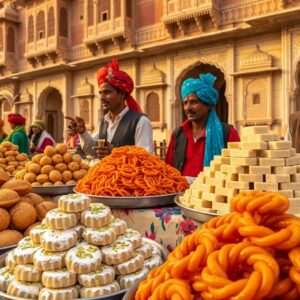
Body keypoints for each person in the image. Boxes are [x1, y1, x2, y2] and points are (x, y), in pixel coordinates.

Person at [68, 59, 153, 158]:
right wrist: (82, 132)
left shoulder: (140, 122)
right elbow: (93, 151)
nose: (102, 98)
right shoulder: (104, 122)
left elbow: (146, 158)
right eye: (100, 93)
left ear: (122, 94)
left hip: (128, 174)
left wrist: (114, 152)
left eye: (107, 92)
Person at [165, 72, 240, 178]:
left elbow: (238, 170)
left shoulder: (227, 133)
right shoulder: (179, 134)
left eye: (193, 102)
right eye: (185, 103)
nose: (188, 108)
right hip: (183, 193)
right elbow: (168, 168)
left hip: (215, 192)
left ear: (208, 105)